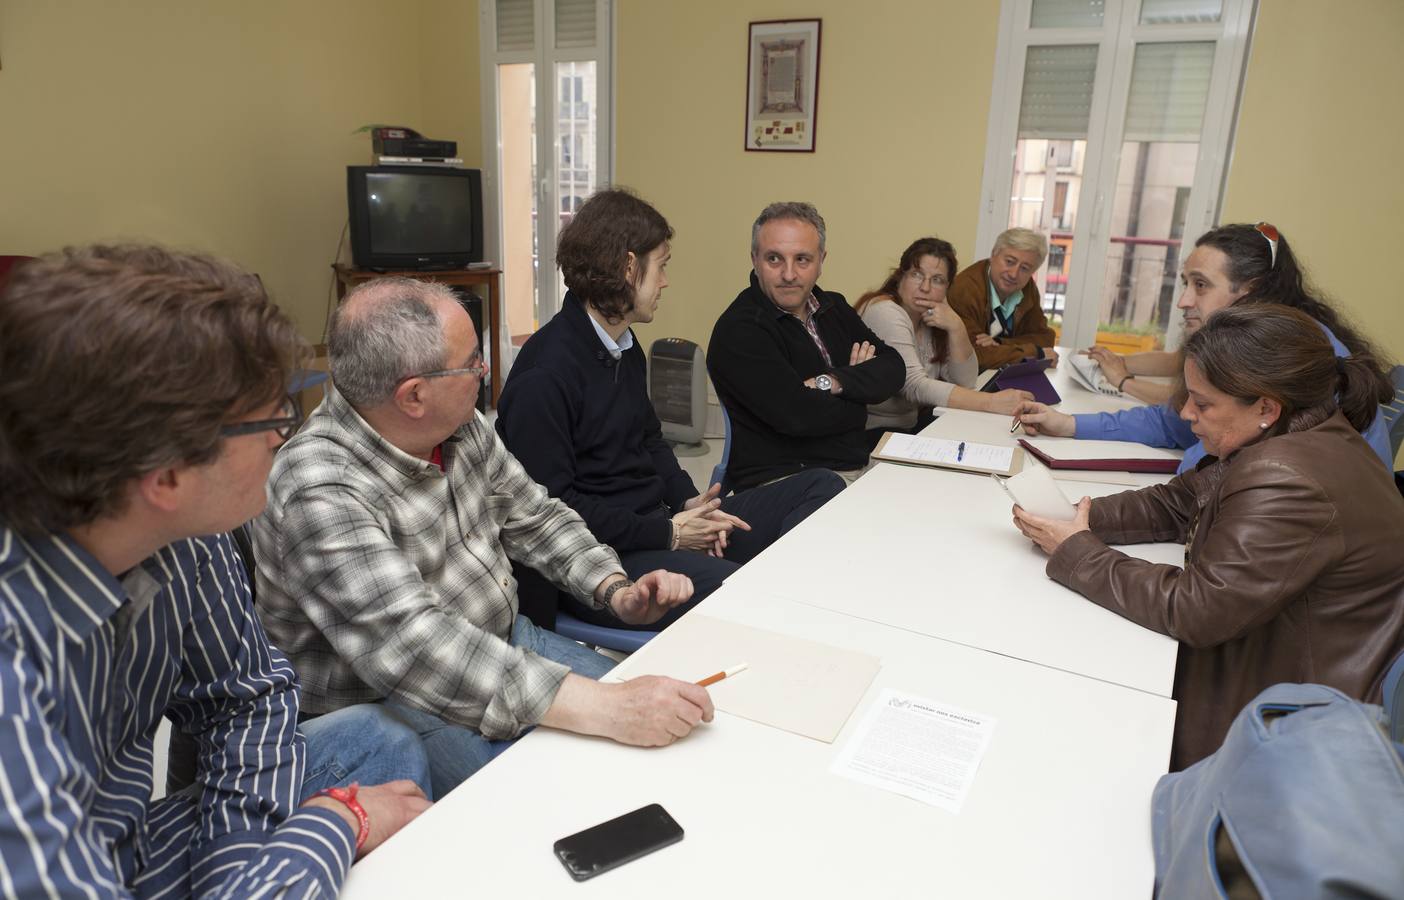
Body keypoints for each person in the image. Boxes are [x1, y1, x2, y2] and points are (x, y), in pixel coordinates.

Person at [0, 245, 431, 897]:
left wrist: (236, 874)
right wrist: (333, 823)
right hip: (72, 873)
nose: (283, 436)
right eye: (270, 417)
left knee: (374, 740)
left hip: (131, 841)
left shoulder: (183, 530)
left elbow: (247, 697)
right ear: (166, 475)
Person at [253, 276, 715, 800]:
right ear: (413, 395)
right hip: (397, 698)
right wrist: (609, 708)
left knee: (664, 738)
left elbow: (534, 515)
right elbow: (417, 647)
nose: (486, 370)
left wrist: (614, 589)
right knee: (568, 796)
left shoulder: (459, 424)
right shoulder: (319, 485)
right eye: (472, 361)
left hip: (503, 639)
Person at [1010, 304, 1404, 770]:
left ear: (1265, 406)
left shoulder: (1288, 476)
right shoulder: (1294, 432)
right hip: (1277, 658)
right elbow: (1178, 502)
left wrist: (1077, 552)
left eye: (1202, 403)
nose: (1185, 412)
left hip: (1290, 710)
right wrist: (1079, 516)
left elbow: (1197, 609)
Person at [497, 189, 844, 629]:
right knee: (740, 591)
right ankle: (781, 616)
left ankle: (790, 608)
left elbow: (648, 438)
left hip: (656, 527)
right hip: (602, 566)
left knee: (821, 487)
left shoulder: (621, 342)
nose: (664, 281)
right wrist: (672, 533)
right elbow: (552, 512)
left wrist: (689, 500)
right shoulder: (545, 375)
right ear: (628, 267)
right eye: (660, 266)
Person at [1013, 223, 1393, 471]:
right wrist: (1067, 423)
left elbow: (1208, 481)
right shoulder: (1252, 348)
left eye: (1201, 285)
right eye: (1185, 283)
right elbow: (1174, 422)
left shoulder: (1292, 365)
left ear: (1252, 290)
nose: (1183, 301)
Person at [706, 201, 905, 488]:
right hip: (785, 481)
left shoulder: (832, 306)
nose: (789, 274)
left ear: (821, 260)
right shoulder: (741, 328)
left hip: (851, 466)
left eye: (802, 259)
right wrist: (860, 397)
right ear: (754, 259)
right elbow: (798, 416)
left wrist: (832, 382)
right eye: (774, 259)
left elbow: (894, 368)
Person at [856, 236, 1034, 444]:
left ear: (947, 288)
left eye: (937, 280)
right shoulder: (884, 311)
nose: (925, 287)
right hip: (870, 434)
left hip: (906, 429)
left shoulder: (930, 317)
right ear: (900, 277)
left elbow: (966, 381)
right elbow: (914, 385)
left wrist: (956, 326)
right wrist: (993, 402)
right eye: (917, 274)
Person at [947, 227, 1059, 371]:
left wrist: (999, 343)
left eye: (1025, 268)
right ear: (993, 254)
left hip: (1004, 377)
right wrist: (1035, 353)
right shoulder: (964, 289)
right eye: (1010, 262)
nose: (1013, 274)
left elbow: (1045, 339)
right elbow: (974, 355)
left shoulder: (1027, 287)